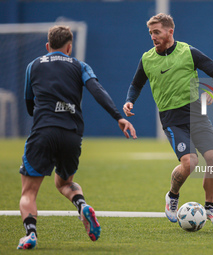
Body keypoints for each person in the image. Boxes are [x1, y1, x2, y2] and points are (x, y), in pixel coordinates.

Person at [17, 25, 137, 250]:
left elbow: (29, 105)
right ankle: (82, 206)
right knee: (65, 182)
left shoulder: (33, 65)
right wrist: (118, 118)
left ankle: (30, 233)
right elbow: (98, 91)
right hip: (71, 134)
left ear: (47, 46)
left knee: (29, 191)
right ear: (69, 47)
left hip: (43, 132)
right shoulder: (80, 66)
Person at [123, 13, 213, 227]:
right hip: (172, 118)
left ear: (170, 31)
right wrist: (130, 101)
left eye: (157, 32)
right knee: (190, 162)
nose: (153, 36)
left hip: (197, 114)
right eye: (151, 33)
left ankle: (210, 207)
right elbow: (136, 84)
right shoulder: (147, 58)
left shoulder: (188, 52)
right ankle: (172, 196)